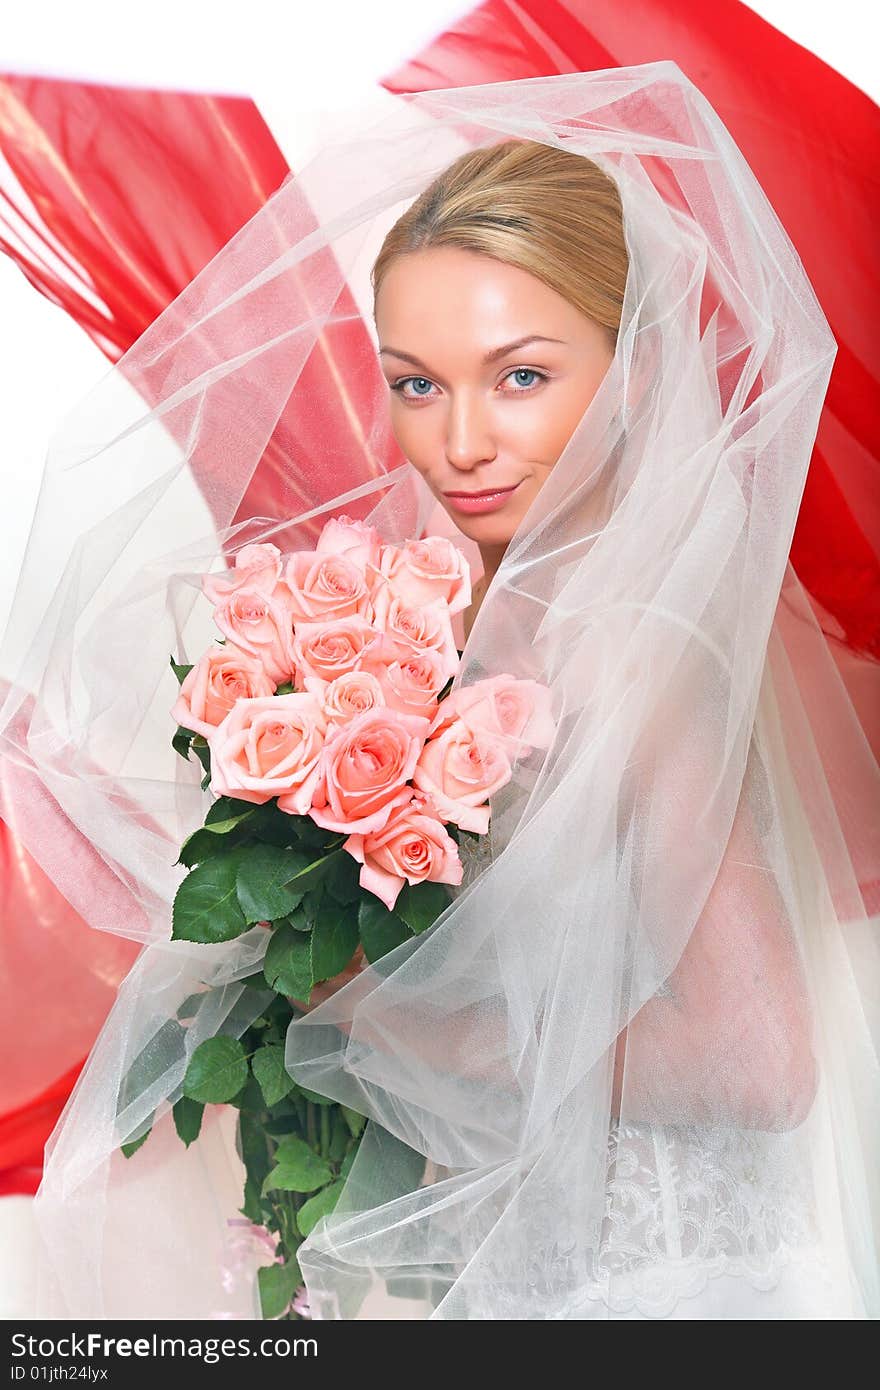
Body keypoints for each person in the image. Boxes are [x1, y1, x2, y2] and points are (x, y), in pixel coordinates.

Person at [1, 64, 876, 1321]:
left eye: (520, 375)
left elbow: (757, 1063)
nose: (458, 440)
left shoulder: (646, 647)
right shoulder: (492, 628)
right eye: (417, 381)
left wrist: (388, 1026)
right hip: (542, 1260)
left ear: (631, 370)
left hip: (674, 1283)